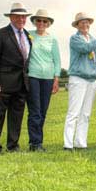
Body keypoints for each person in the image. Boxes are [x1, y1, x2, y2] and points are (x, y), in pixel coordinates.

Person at [63, 12, 96, 150]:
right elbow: (86, 48)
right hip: (78, 79)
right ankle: (68, 144)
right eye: (82, 22)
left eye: (87, 22)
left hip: (92, 81)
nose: (85, 24)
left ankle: (81, 143)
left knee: (85, 114)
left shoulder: (92, 40)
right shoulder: (75, 39)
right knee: (73, 113)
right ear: (77, 25)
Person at [0, 2, 32, 154]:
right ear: (11, 17)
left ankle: (13, 146)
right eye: (18, 17)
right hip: (3, 82)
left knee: (16, 116)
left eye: (24, 17)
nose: (21, 19)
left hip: (22, 83)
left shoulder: (28, 35)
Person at [27, 9, 61, 152]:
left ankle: (37, 141)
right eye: (38, 20)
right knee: (35, 111)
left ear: (48, 24)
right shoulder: (28, 35)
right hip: (33, 76)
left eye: (44, 21)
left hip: (48, 78)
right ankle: (35, 143)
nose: (41, 23)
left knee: (43, 111)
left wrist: (56, 79)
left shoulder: (53, 39)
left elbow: (57, 61)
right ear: (35, 22)